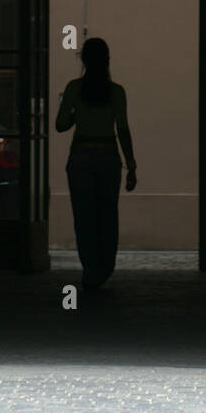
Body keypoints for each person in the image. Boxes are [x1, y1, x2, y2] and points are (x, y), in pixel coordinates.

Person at [55, 36, 136, 289]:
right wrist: (131, 164)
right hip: (107, 156)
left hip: (80, 156)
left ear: (84, 60)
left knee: (84, 217)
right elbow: (122, 129)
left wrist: (75, 116)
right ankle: (104, 266)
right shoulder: (116, 92)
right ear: (107, 60)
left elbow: (60, 125)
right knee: (107, 215)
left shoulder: (73, 88)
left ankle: (90, 267)